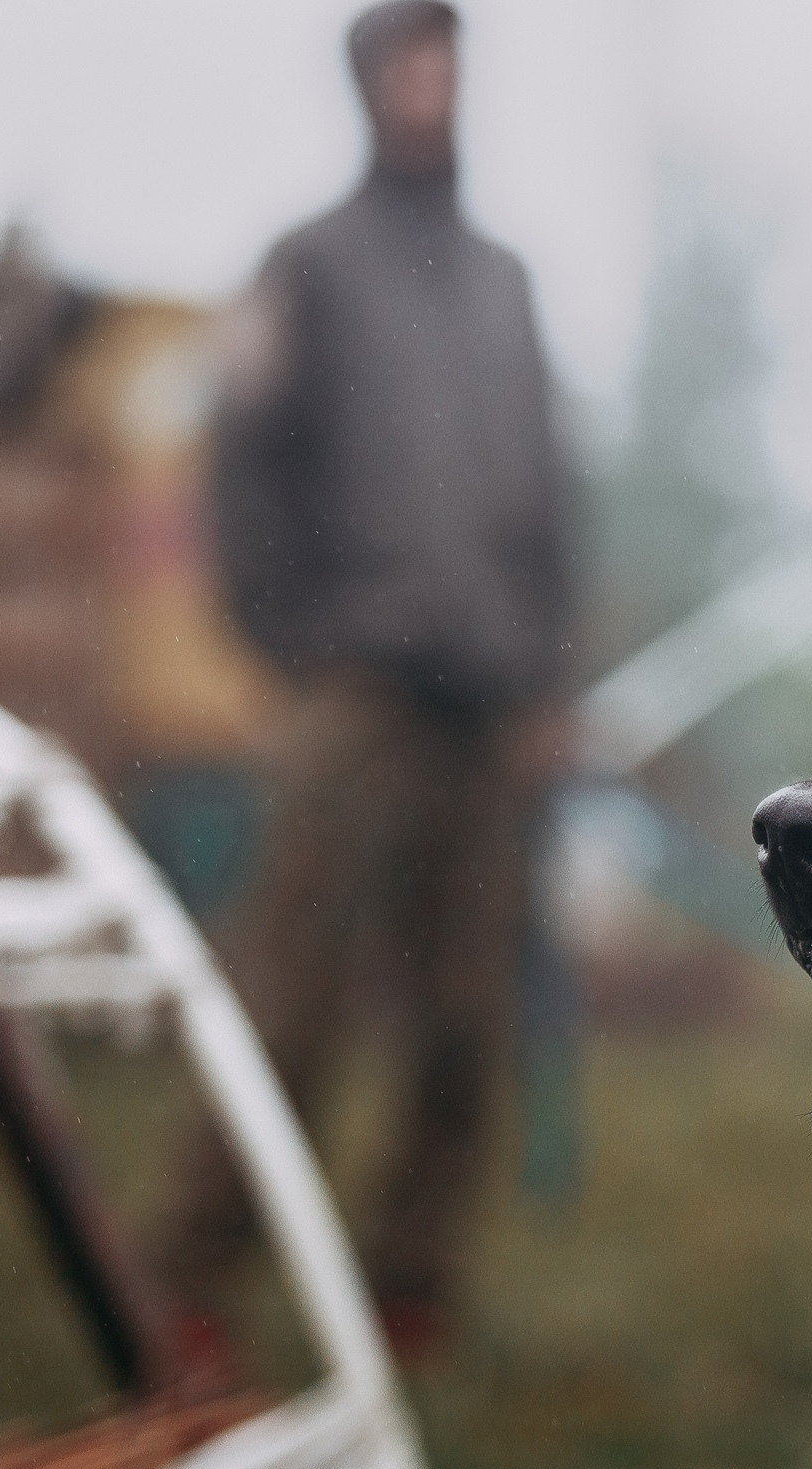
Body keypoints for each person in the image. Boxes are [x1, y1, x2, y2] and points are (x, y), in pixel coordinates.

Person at [154, 0, 573, 1367]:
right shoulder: (308, 264)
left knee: (464, 1019)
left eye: (447, 58)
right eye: (405, 61)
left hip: (490, 702)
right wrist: (292, 642)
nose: (429, 84)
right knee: (292, 1001)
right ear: (367, 83)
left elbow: (550, 490)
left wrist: (547, 676)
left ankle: (412, 1289)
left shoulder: (506, 279)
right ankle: (192, 1285)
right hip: (356, 692)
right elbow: (240, 464)